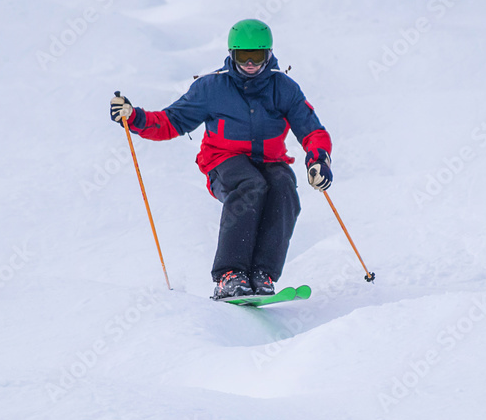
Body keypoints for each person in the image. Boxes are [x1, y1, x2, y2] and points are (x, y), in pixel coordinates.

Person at [110, 19, 333, 299]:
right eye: (243, 56)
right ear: (231, 54)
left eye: (257, 56)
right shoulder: (211, 88)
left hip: (270, 160)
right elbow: (171, 121)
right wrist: (135, 118)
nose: (250, 63)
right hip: (222, 161)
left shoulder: (284, 88)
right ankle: (229, 275)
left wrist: (318, 160)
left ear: (269, 54)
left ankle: (261, 274)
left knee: (283, 187)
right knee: (251, 185)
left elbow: (311, 130)